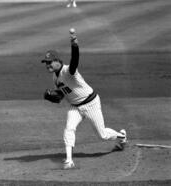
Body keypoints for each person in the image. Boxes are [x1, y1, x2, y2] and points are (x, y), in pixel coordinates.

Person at [41, 28, 127, 169]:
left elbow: (75, 60)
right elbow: (64, 93)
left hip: (90, 103)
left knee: (102, 135)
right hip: (75, 106)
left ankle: (122, 137)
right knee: (69, 129)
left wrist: (74, 44)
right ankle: (69, 160)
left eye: (49, 62)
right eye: (46, 63)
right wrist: (54, 96)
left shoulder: (68, 71)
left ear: (57, 61)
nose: (47, 65)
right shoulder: (55, 77)